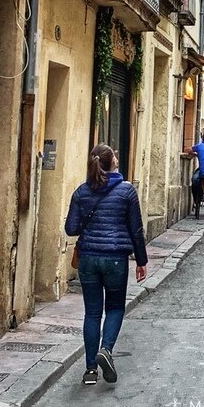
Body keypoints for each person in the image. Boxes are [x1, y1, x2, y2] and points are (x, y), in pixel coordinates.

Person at [64, 144, 147, 386]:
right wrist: (141, 261)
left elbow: (71, 228)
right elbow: (136, 230)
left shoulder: (81, 192)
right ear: (112, 164)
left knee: (91, 312)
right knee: (115, 308)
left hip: (88, 258)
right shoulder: (126, 192)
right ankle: (106, 349)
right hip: (115, 259)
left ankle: (90, 370)